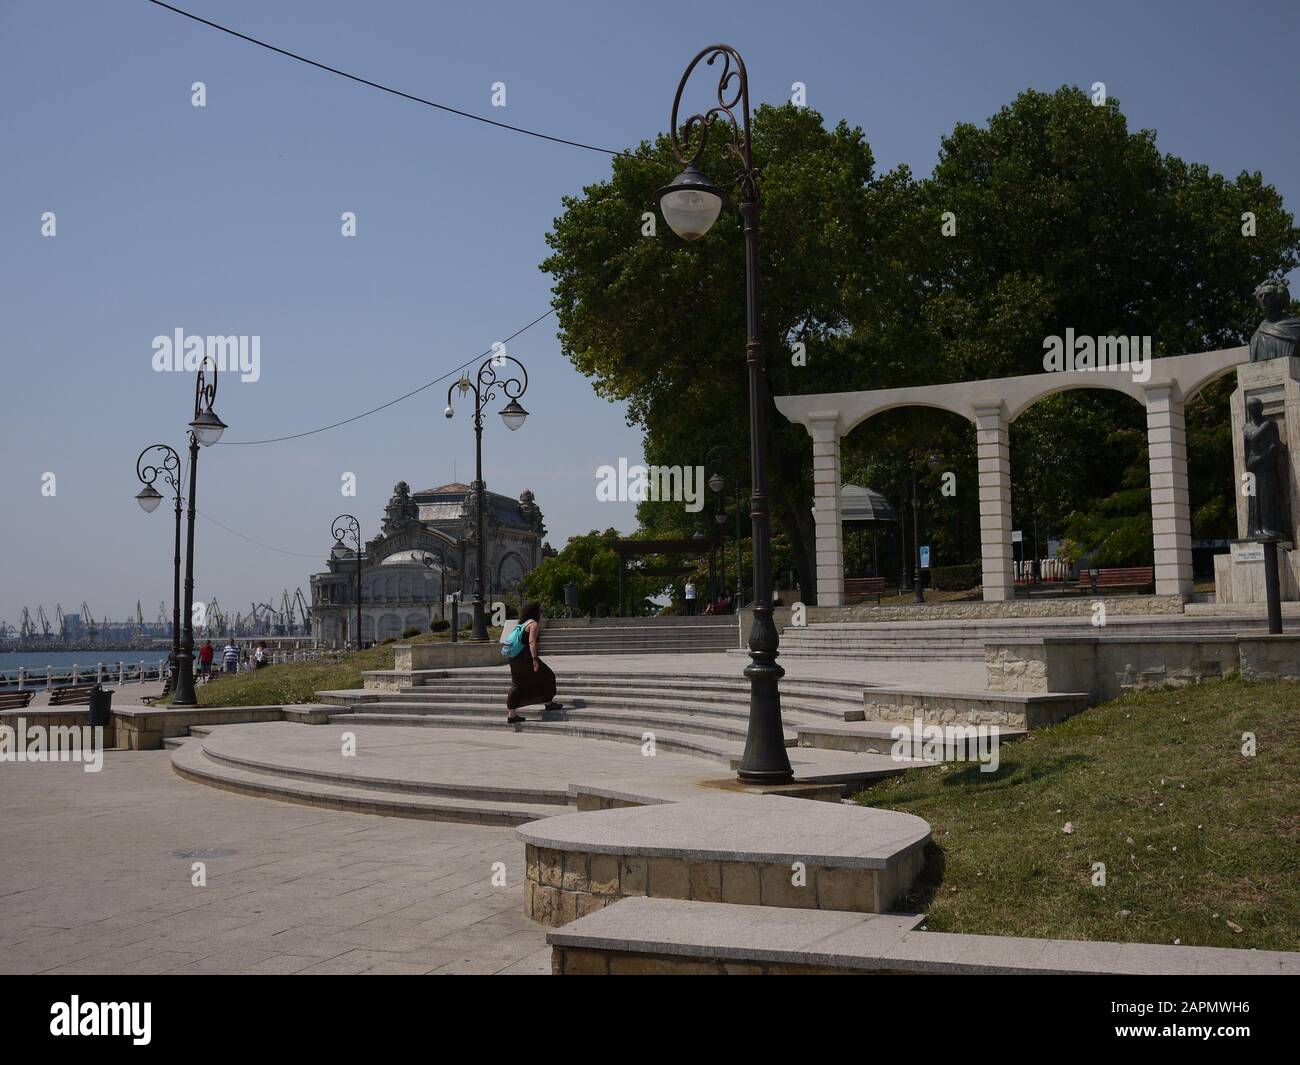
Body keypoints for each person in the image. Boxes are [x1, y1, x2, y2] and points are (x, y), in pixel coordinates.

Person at [505, 600, 556, 725]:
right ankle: (548, 703)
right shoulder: (532, 624)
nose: (542, 614)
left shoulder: (521, 624)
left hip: (514, 658)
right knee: (548, 675)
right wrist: (535, 659)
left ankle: (512, 715)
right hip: (526, 657)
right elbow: (532, 642)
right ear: (536, 613)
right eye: (541, 611)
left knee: (517, 683)